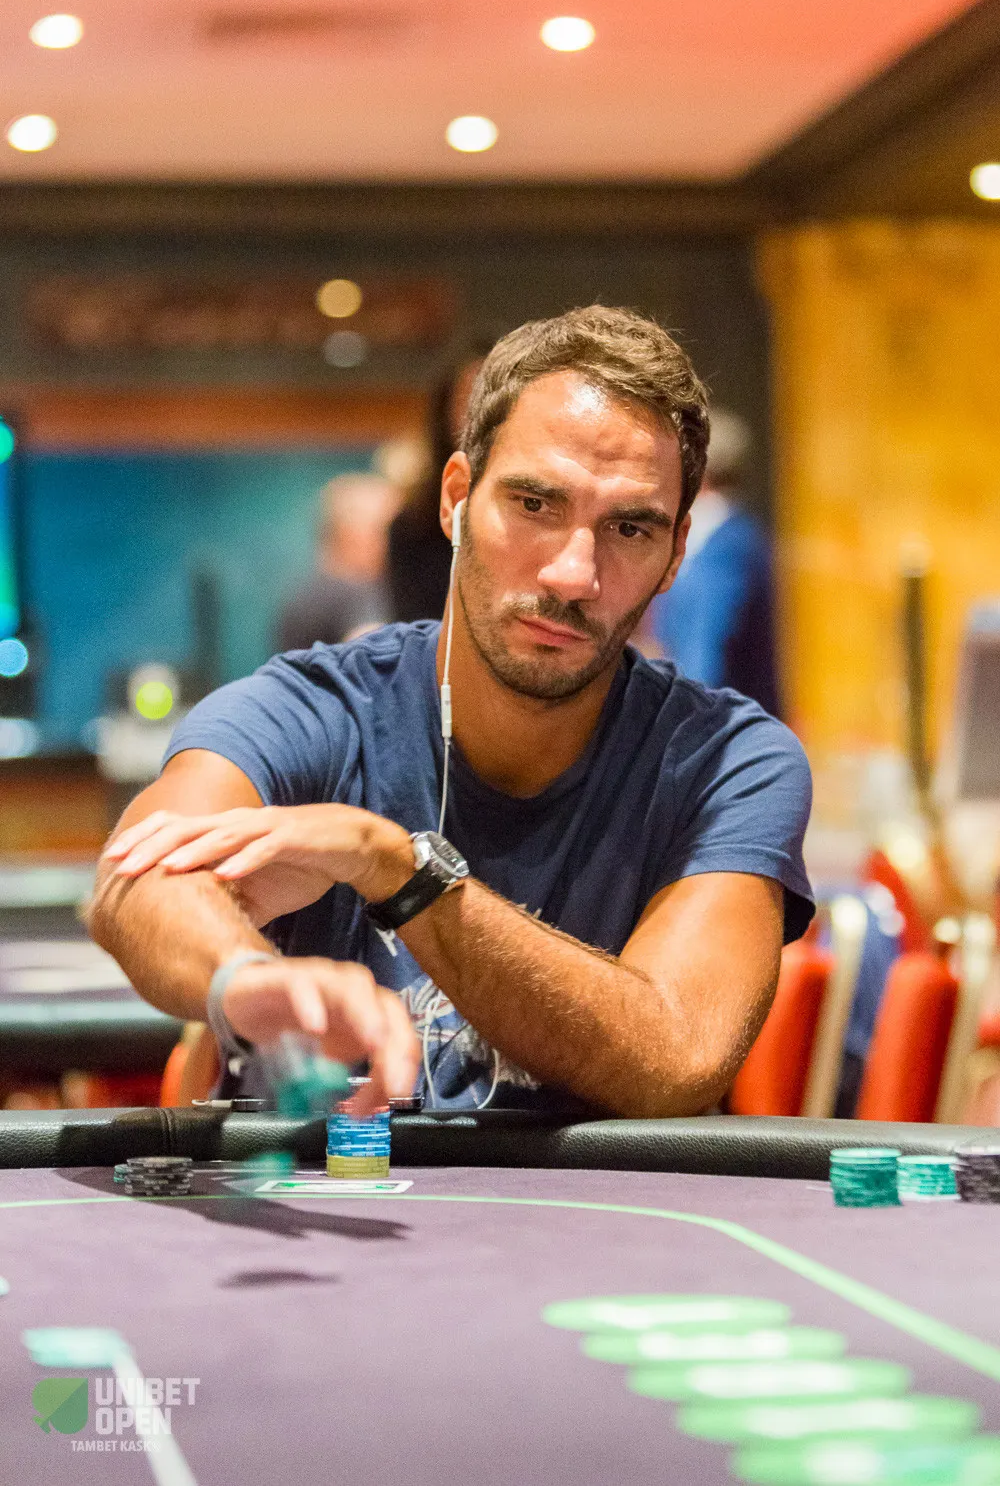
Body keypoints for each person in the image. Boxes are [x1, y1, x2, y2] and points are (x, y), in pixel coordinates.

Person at [88, 305, 813, 1120]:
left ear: (675, 554)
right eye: (535, 504)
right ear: (456, 498)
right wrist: (248, 979)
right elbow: (140, 880)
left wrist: (402, 872)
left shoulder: (727, 760)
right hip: (323, 1189)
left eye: (629, 528)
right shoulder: (314, 707)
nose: (574, 574)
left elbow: (677, 1059)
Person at [651, 410, 782, 717]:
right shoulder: (735, 534)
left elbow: (706, 647)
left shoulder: (725, 544)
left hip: (718, 723)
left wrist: (682, 716)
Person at [386, 347, 491, 623]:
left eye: (491, 403)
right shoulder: (412, 525)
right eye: (468, 402)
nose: (480, 418)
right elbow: (414, 625)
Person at [275, 472, 399, 652]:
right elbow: (377, 654)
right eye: (391, 528)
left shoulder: (301, 597)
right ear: (350, 534)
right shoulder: (357, 593)